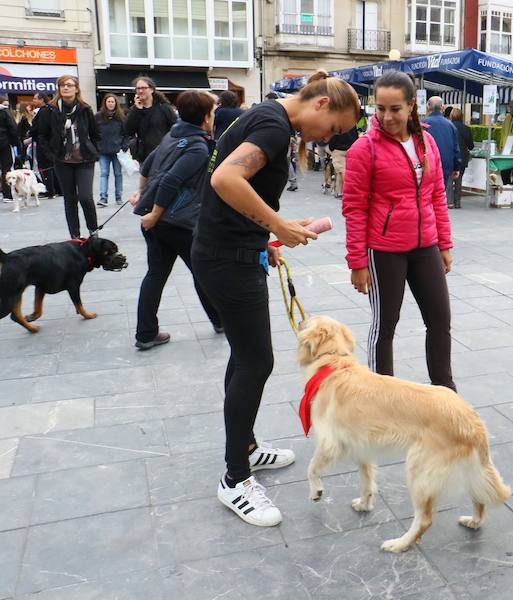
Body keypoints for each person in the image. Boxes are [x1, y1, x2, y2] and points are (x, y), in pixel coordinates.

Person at [191, 70, 360, 527]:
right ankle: (235, 478)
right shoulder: (274, 125)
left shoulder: (266, 116)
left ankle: (243, 445)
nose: (328, 140)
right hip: (226, 258)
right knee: (256, 362)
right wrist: (276, 225)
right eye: (334, 129)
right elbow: (226, 179)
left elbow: (233, 191)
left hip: (226, 249)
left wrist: (262, 233)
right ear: (321, 105)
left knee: (245, 357)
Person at [343, 71, 456, 391]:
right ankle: (382, 397)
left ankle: (445, 394)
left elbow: (436, 196)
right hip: (384, 250)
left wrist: (444, 244)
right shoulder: (365, 149)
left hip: (425, 247)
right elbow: (354, 208)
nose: (386, 117)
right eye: (380, 108)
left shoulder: (426, 140)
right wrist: (357, 262)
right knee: (385, 327)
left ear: (411, 106)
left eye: (395, 109)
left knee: (439, 321)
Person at [131, 90, 223, 350]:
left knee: (156, 275)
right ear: (205, 117)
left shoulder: (173, 135)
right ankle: (220, 321)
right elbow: (172, 180)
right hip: (178, 222)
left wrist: (142, 194)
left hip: (158, 222)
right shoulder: (197, 147)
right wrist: (156, 213)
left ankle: (146, 333)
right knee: (201, 271)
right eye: (213, 112)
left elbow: (147, 166)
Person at [49, 76, 101, 239]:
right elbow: (41, 134)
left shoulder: (85, 109)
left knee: (85, 197)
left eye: (69, 85)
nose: (65, 88)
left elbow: (95, 133)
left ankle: (93, 231)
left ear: (76, 89)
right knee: (69, 200)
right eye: (62, 85)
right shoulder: (51, 110)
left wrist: (95, 150)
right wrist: (50, 154)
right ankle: (75, 236)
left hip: (84, 160)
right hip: (62, 161)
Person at [124, 76, 176, 164]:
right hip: (145, 157)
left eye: (144, 88)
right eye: (138, 88)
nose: (140, 91)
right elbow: (128, 130)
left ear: (151, 89)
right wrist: (137, 110)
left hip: (164, 155)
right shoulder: (135, 109)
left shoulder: (163, 107)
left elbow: (175, 128)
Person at [423, 96, 461, 206]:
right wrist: (456, 167)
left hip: (427, 164)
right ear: (442, 108)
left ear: (428, 108)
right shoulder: (450, 125)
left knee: (427, 195)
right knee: (440, 193)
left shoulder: (423, 124)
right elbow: (455, 148)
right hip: (446, 164)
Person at [96, 94, 126, 207]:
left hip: (117, 151)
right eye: (108, 101)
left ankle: (119, 197)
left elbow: (126, 133)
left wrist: (124, 146)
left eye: (112, 102)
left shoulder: (121, 117)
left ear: (116, 103)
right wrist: (97, 146)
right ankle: (103, 197)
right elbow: (94, 133)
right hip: (103, 150)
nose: (110, 104)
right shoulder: (98, 117)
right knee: (104, 173)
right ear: (105, 103)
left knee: (118, 174)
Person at [29, 92, 59, 198]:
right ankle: (57, 189)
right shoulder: (51, 109)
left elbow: (40, 129)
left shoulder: (44, 112)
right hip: (49, 143)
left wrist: (32, 133)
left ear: (42, 100)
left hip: (44, 144)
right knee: (51, 167)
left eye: (35, 98)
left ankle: (51, 190)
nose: (34, 101)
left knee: (45, 167)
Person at [328, 109, 359, 198]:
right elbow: (356, 137)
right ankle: (340, 192)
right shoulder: (352, 124)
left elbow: (333, 138)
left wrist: (331, 148)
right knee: (346, 171)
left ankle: (345, 192)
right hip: (351, 150)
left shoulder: (337, 123)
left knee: (342, 172)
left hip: (339, 150)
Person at [450, 108, 474, 209]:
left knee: (449, 180)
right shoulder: (466, 129)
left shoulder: (448, 126)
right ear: (462, 116)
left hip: (450, 156)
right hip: (462, 157)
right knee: (459, 179)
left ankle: (449, 201)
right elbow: (471, 146)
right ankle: (458, 202)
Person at [0, 95, 19, 201]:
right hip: (4, 143)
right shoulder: (5, 112)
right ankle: (7, 194)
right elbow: (13, 128)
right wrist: (16, 143)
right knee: (6, 168)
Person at [15, 102, 34, 169]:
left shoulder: (22, 117)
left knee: (24, 157)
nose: (30, 108)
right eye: (28, 107)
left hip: (24, 140)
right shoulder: (25, 117)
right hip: (26, 140)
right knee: (28, 157)